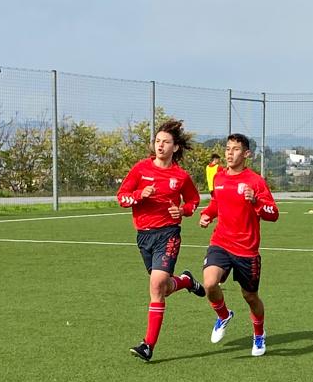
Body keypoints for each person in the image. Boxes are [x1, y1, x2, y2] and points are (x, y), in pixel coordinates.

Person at [117, 119, 205, 362]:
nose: (160, 145)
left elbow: (193, 201)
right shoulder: (140, 169)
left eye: (166, 142)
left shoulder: (180, 176)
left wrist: (183, 210)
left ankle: (148, 345)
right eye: (157, 141)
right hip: (143, 236)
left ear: (175, 147)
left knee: (156, 285)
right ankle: (186, 281)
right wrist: (139, 195)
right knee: (163, 287)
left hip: (168, 234)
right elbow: (122, 197)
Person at [198, 133, 279, 357]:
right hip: (221, 242)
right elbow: (216, 203)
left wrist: (256, 200)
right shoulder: (219, 178)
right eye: (227, 149)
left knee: (250, 297)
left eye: (235, 149)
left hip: (246, 249)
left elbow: (273, 214)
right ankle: (223, 315)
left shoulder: (256, 181)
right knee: (210, 284)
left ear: (246, 154)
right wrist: (207, 215)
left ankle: (259, 334)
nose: (230, 153)